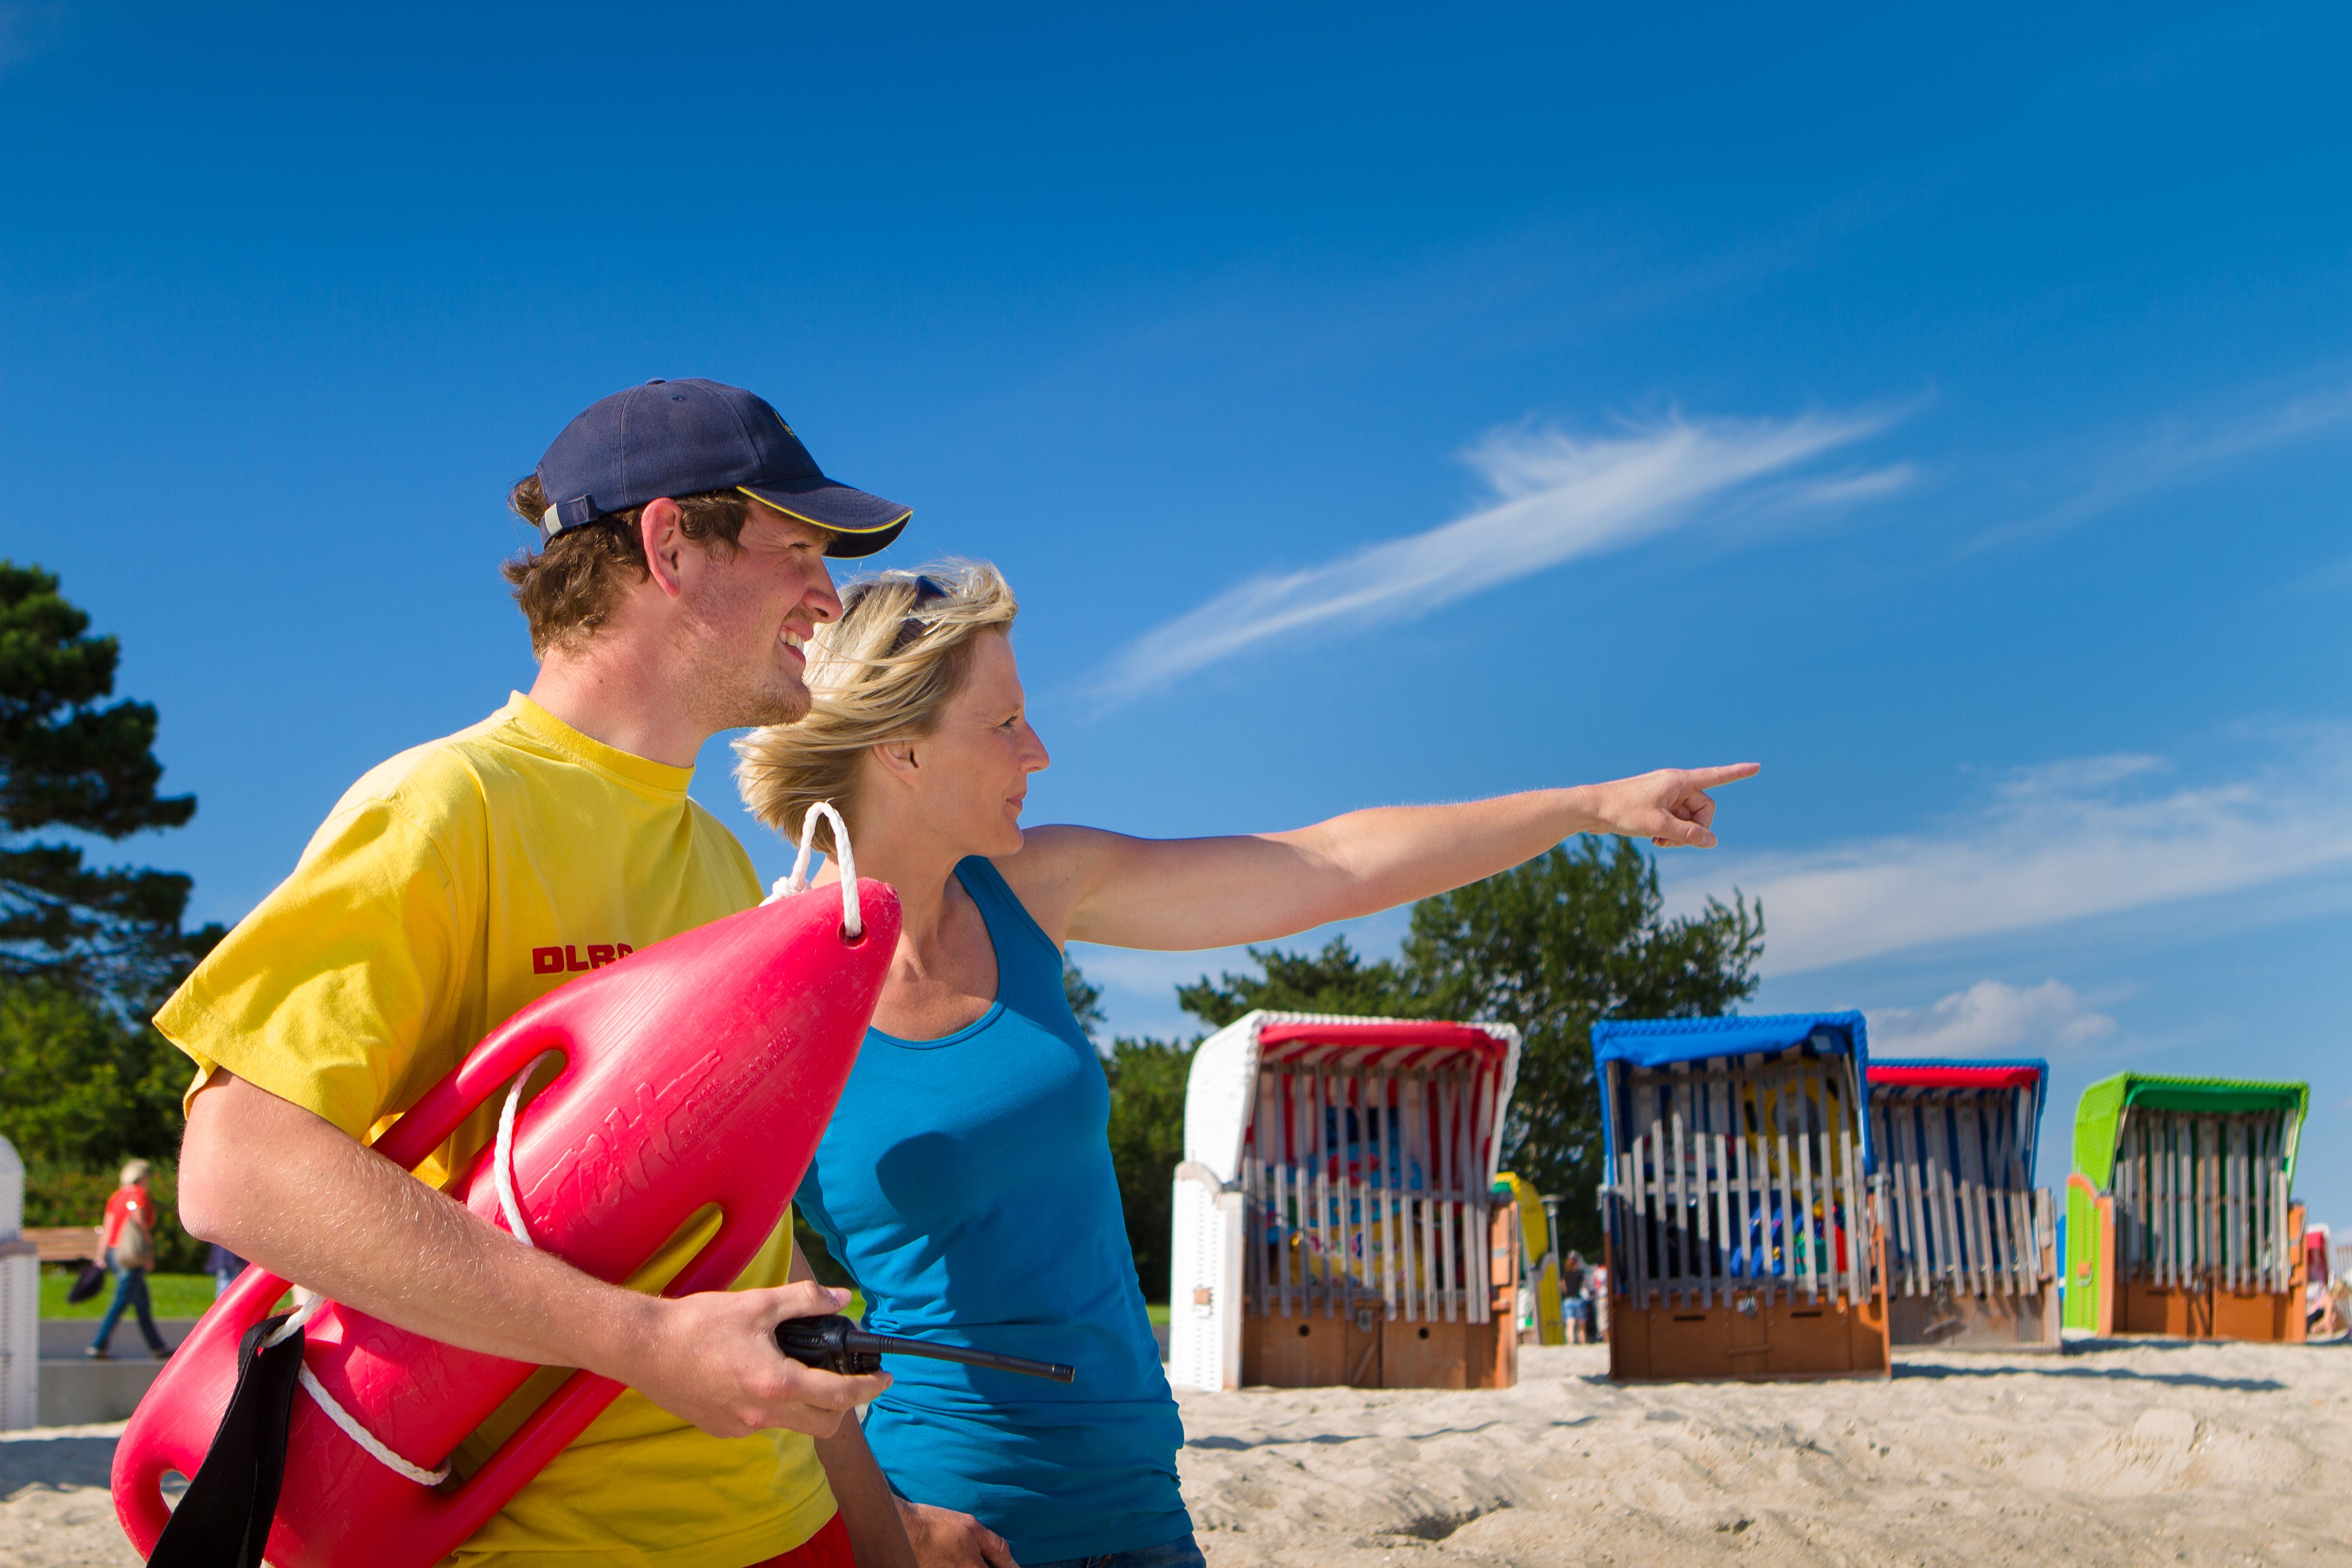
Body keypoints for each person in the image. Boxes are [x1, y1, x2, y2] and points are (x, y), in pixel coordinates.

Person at [734, 562, 1757, 1568]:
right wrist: (893, 1532)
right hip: (950, 1521)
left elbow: (1333, 865)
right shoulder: (772, 1006)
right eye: (1003, 725)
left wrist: (1590, 806)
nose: (1038, 753)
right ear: (902, 750)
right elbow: (749, 1313)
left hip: (1141, 1500)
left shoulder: (1035, 891)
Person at [168, 379, 923, 1568]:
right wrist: (638, 1343)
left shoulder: (721, 863)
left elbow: (751, 1244)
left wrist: (888, 1542)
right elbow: (234, 1170)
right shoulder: (451, 807)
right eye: (797, 550)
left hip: (788, 1526)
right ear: (671, 543)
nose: (829, 596)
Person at [88, 1159, 170, 1361]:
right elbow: (141, 1223)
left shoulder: (116, 1197)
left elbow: (107, 1230)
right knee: (122, 1300)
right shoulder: (138, 1195)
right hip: (131, 1255)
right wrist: (149, 1252)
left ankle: (158, 1347)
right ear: (142, 1177)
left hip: (115, 1254)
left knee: (142, 1304)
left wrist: (100, 1256)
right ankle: (98, 1344)